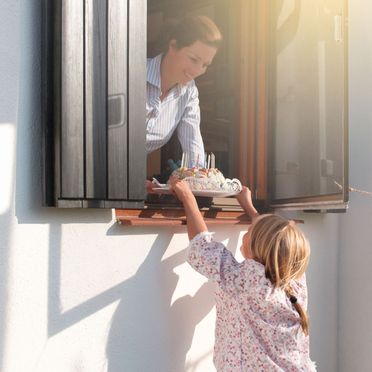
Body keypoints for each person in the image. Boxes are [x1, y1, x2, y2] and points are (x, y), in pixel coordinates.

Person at [169, 177, 317, 371]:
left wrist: (187, 196)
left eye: (250, 231)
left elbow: (203, 248)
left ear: (257, 246)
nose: (246, 232)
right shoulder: (295, 281)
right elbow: (273, 241)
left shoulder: (246, 282)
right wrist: (249, 206)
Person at [146, 15, 222, 169]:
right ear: (173, 46)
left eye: (205, 64)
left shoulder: (189, 93)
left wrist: (200, 178)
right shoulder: (131, 74)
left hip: (126, 179)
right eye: (194, 59)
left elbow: (193, 146)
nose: (197, 70)